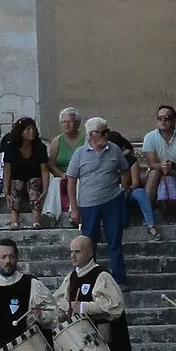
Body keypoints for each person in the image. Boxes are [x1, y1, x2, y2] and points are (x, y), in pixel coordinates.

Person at [66, 118, 133, 284]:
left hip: (112, 201)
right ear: (92, 135)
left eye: (107, 131)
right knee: (88, 243)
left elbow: (125, 170)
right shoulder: (79, 153)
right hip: (88, 204)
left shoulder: (115, 150)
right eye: (103, 132)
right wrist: (73, 207)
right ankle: (89, 280)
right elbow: (71, 180)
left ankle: (120, 279)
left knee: (115, 241)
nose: (106, 135)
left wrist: (123, 191)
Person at [0, 116, 53, 229]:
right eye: (27, 129)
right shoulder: (11, 148)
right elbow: (7, 172)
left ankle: (35, 218)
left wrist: (45, 189)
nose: (31, 131)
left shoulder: (40, 147)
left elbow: (44, 170)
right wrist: (6, 191)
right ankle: (14, 219)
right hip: (17, 179)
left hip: (34, 179)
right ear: (21, 132)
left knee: (33, 185)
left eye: (33, 129)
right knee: (17, 185)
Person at [51, 108, 85, 222]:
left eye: (69, 121)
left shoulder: (85, 140)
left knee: (77, 182)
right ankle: (49, 214)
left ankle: (73, 212)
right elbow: (51, 164)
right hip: (62, 175)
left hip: (80, 176)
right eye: (64, 122)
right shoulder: (57, 141)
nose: (66, 124)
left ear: (77, 123)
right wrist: (61, 174)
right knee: (55, 182)